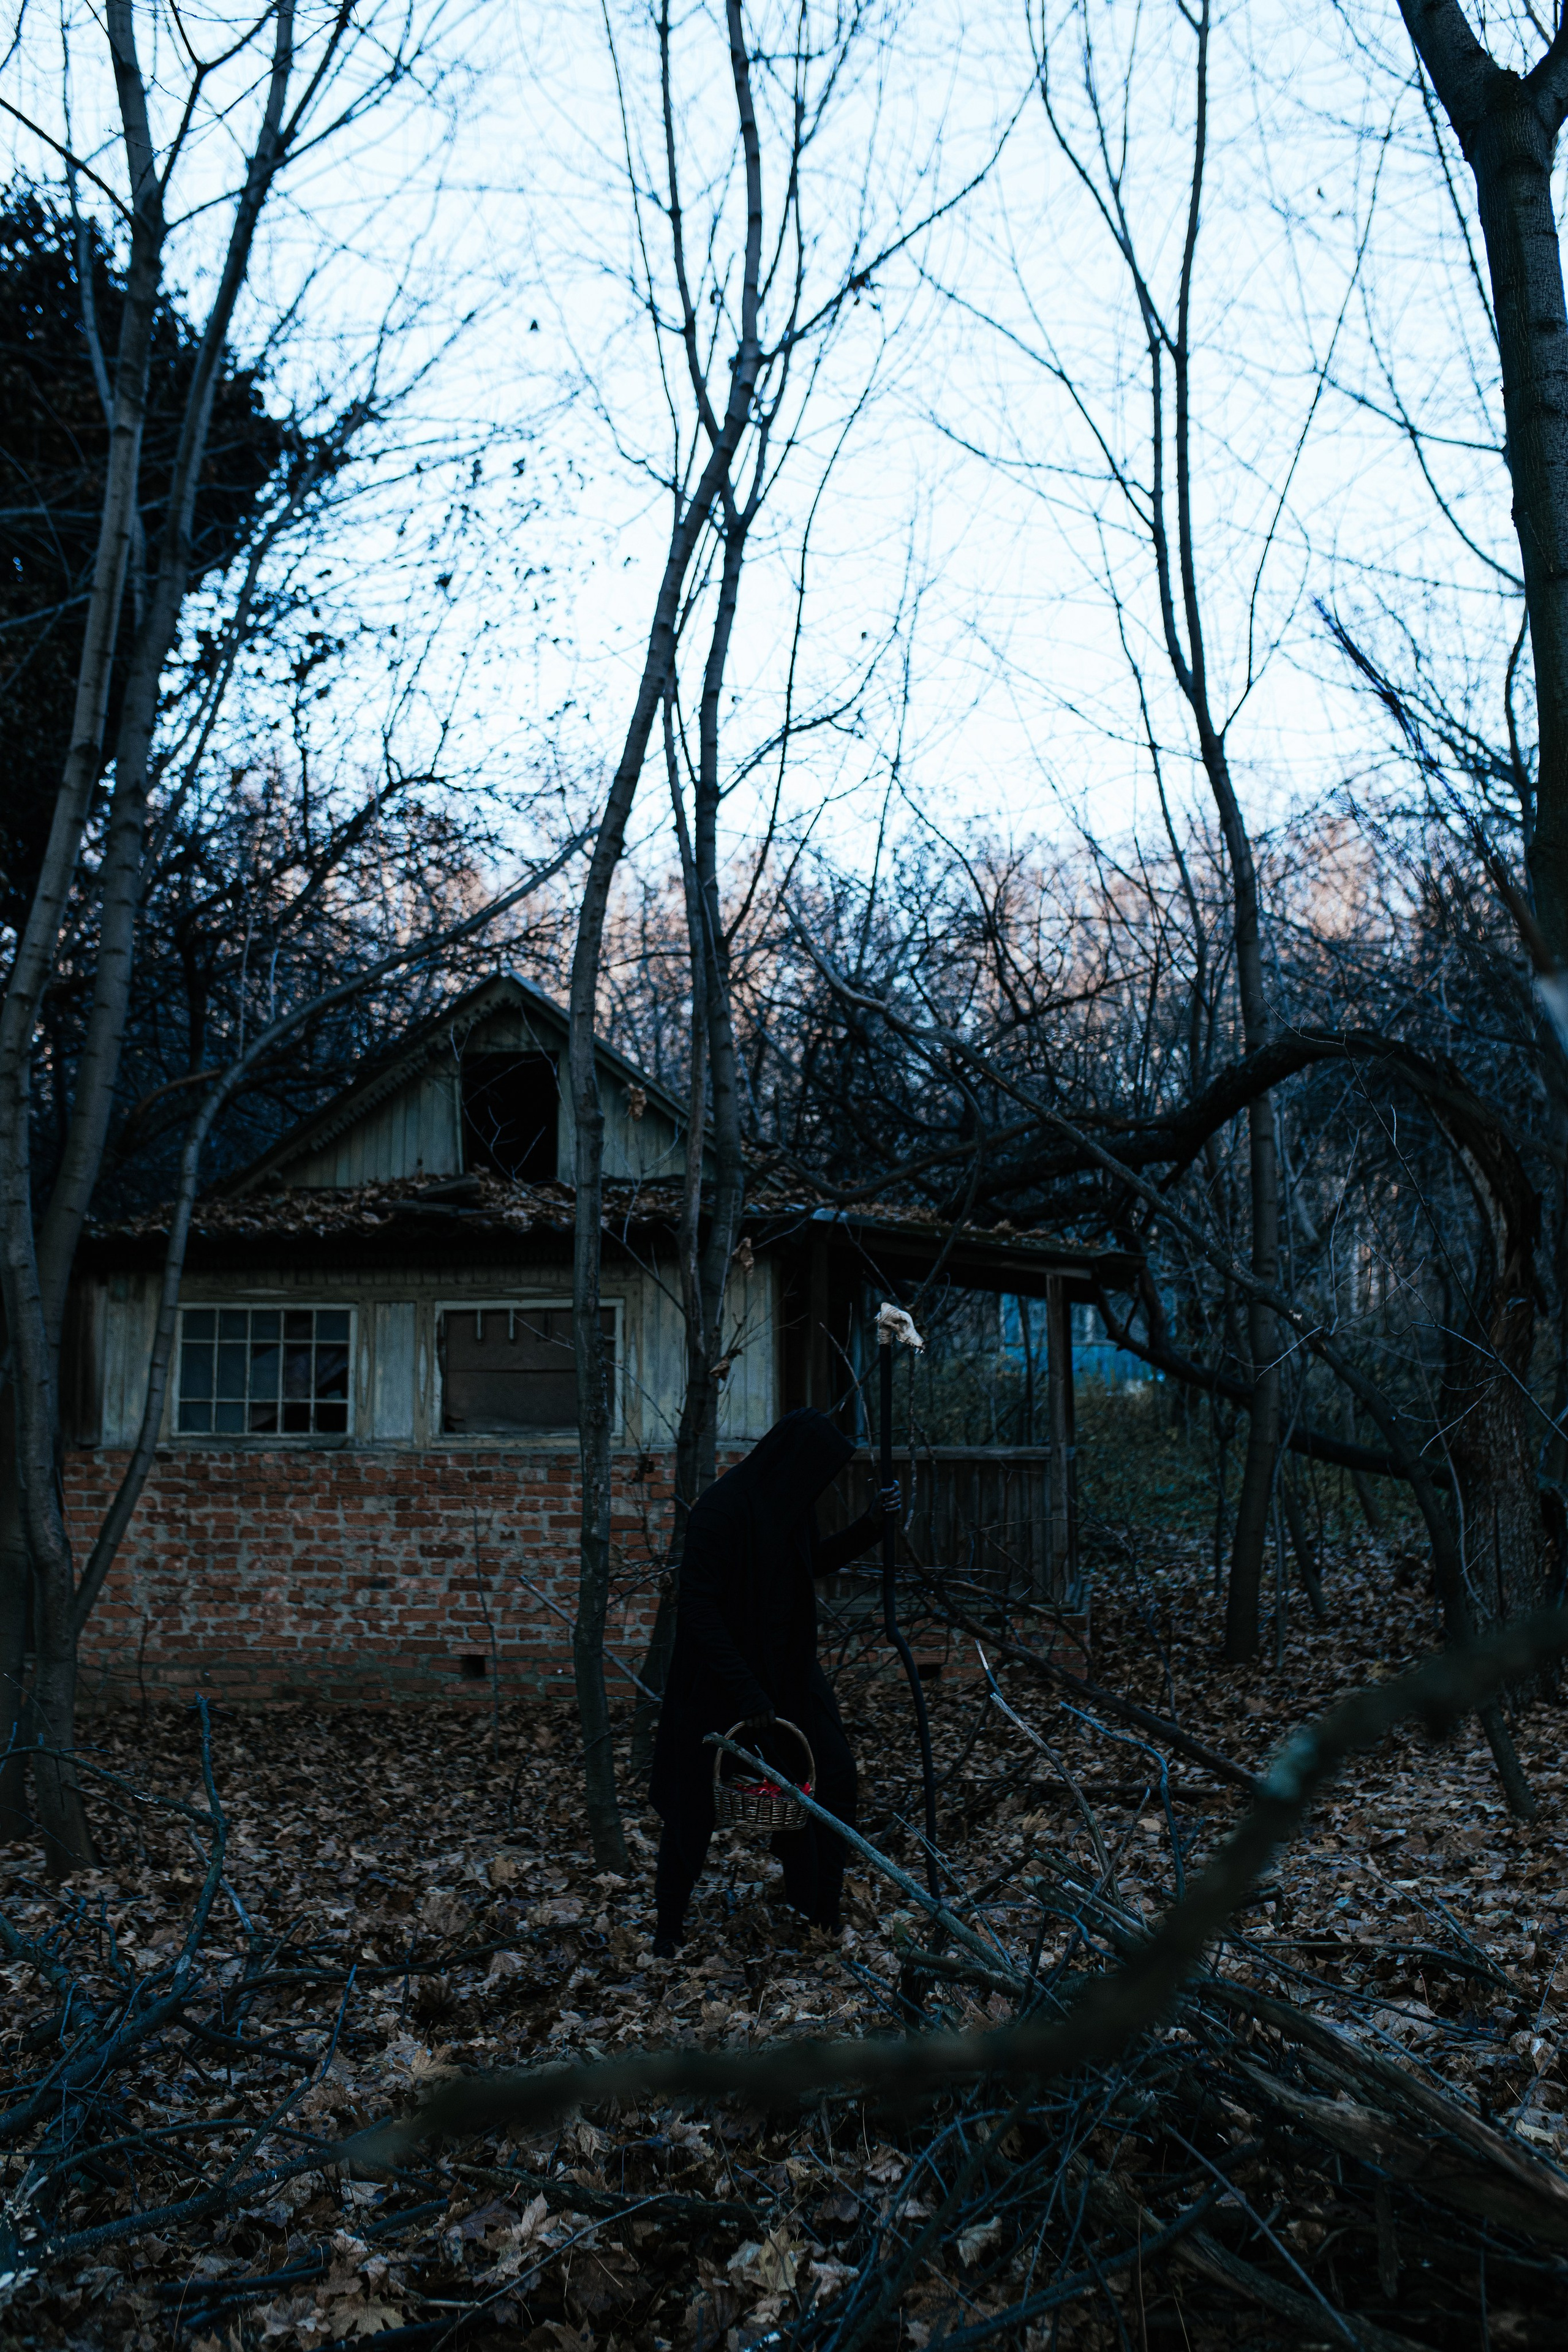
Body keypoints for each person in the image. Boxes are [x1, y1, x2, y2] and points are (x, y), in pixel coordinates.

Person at [647, 1408, 897, 1956]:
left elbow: (811, 1561)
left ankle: (819, 1915)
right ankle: (667, 1933)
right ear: (791, 1464)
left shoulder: (790, 1508)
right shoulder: (720, 1510)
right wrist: (746, 1693)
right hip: (717, 1685)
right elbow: (699, 1610)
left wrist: (870, 1526)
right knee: (693, 1810)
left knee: (830, 1782)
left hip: (789, 1675)